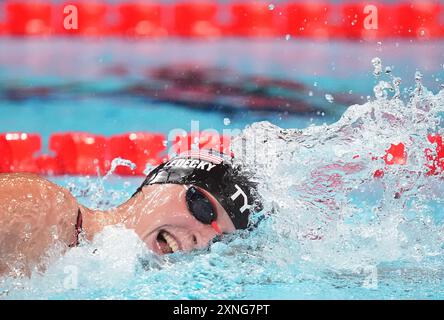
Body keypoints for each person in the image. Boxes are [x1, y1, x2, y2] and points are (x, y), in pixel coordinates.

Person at [0, 151, 261, 277]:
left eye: (216, 241)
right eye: (203, 209)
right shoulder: (46, 209)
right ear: (159, 184)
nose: (201, 241)